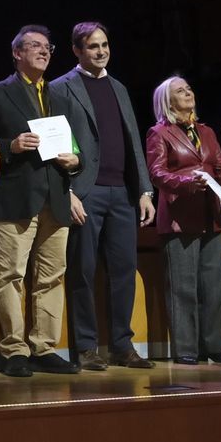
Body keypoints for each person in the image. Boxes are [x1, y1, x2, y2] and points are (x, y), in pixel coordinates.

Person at [49, 22, 156, 371]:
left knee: (124, 270)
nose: (101, 51)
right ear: (77, 50)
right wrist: (67, 191)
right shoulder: (61, 87)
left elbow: (133, 140)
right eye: (93, 46)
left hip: (122, 193)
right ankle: (86, 347)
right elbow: (55, 144)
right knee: (83, 270)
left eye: (105, 45)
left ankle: (122, 345)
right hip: (86, 190)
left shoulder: (118, 87)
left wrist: (144, 190)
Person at [0, 25, 82, 377]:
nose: (43, 51)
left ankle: (44, 347)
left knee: (52, 276)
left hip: (56, 197)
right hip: (15, 197)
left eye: (47, 47)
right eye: (35, 46)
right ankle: (13, 350)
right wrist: (11, 145)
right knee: (11, 275)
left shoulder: (60, 97)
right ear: (17, 53)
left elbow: (75, 148)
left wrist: (76, 160)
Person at [145, 76, 221, 365]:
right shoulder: (159, 133)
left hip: (210, 216)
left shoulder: (206, 131)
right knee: (183, 288)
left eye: (189, 88)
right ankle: (186, 349)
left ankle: (213, 346)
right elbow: (157, 173)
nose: (188, 92)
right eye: (180, 91)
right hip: (179, 218)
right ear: (167, 100)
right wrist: (188, 182)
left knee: (214, 288)